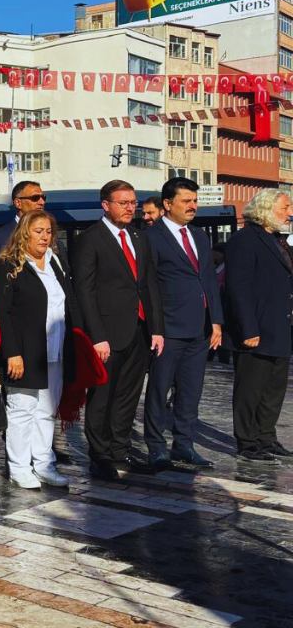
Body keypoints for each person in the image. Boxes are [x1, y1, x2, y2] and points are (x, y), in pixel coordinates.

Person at [71, 180, 164, 481]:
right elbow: (84, 291)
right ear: (106, 205)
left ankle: (120, 450)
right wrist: (97, 336)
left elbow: (149, 284)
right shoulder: (90, 239)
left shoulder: (139, 237)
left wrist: (157, 328)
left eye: (133, 202)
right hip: (107, 334)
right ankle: (99, 456)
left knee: (128, 395)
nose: (129, 208)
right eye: (122, 203)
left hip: (139, 330)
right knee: (102, 396)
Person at [0, 210, 77, 490]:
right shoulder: (7, 266)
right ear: (25, 232)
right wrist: (11, 352)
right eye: (38, 231)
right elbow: (0, 315)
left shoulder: (55, 263)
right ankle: (19, 467)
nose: (44, 236)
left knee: (47, 410)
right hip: (24, 353)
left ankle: (43, 464)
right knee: (22, 410)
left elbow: (66, 303)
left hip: (55, 350)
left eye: (48, 231)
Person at [143, 178, 223, 470]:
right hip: (168, 329)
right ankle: (155, 446)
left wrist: (216, 321)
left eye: (194, 200)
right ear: (167, 204)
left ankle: (184, 445)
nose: (193, 206)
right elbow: (148, 285)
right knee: (159, 388)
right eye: (186, 201)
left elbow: (209, 281)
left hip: (200, 329)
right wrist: (155, 327)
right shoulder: (151, 238)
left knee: (191, 390)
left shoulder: (200, 236)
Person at [226, 189, 293, 462]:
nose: (290, 213)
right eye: (285, 207)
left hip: (281, 328)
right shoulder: (245, 240)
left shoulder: (279, 241)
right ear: (266, 208)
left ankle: (267, 437)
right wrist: (249, 329)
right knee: (250, 389)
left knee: (274, 390)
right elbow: (237, 288)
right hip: (257, 329)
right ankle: (248, 442)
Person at [0, 181, 56, 263]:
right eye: (35, 198)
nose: (42, 202)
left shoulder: (50, 235)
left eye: (43, 197)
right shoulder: (2, 237)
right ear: (18, 203)